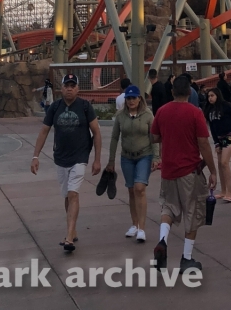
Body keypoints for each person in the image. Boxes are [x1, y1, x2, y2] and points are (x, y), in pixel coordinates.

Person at [151, 73, 217, 274]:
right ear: (190, 91)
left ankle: (162, 241)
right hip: (190, 171)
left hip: (168, 170)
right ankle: (186, 258)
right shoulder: (195, 113)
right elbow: (203, 143)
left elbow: (154, 137)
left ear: (172, 92)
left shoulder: (162, 111)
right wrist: (213, 170)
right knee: (193, 212)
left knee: (168, 208)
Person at [30, 72, 102, 253]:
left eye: (72, 86)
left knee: (73, 194)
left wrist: (97, 159)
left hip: (80, 157)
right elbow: (44, 131)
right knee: (66, 196)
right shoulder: (55, 107)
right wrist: (35, 156)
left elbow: (96, 132)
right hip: (61, 158)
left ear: (78, 89)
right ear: (61, 88)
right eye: (66, 86)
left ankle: (69, 237)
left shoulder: (85, 107)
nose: (69, 89)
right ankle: (73, 228)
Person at [106, 84, 159, 243]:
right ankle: (134, 224)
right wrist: (111, 160)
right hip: (127, 157)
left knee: (139, 188)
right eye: (128, 98)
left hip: (144, 155)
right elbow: (114, 137)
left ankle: (142, 228)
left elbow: (154, 136)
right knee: (131, 190)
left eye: (134, 98)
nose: (131, 101)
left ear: (139, 98)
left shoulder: (148, 115)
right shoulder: (121, 115)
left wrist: (156, 157)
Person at [203, 87, 231, 202]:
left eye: (212, 96)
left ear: (217, 96)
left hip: (229, 136)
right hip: (219, 139)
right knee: (220, 164)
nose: (210, 98)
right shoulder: (209, 110)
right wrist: (216, 143)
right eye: (208, 96)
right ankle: (223, 191)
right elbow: (212, 128)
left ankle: (230, 192)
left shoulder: (226, 106)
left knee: (224, 162)